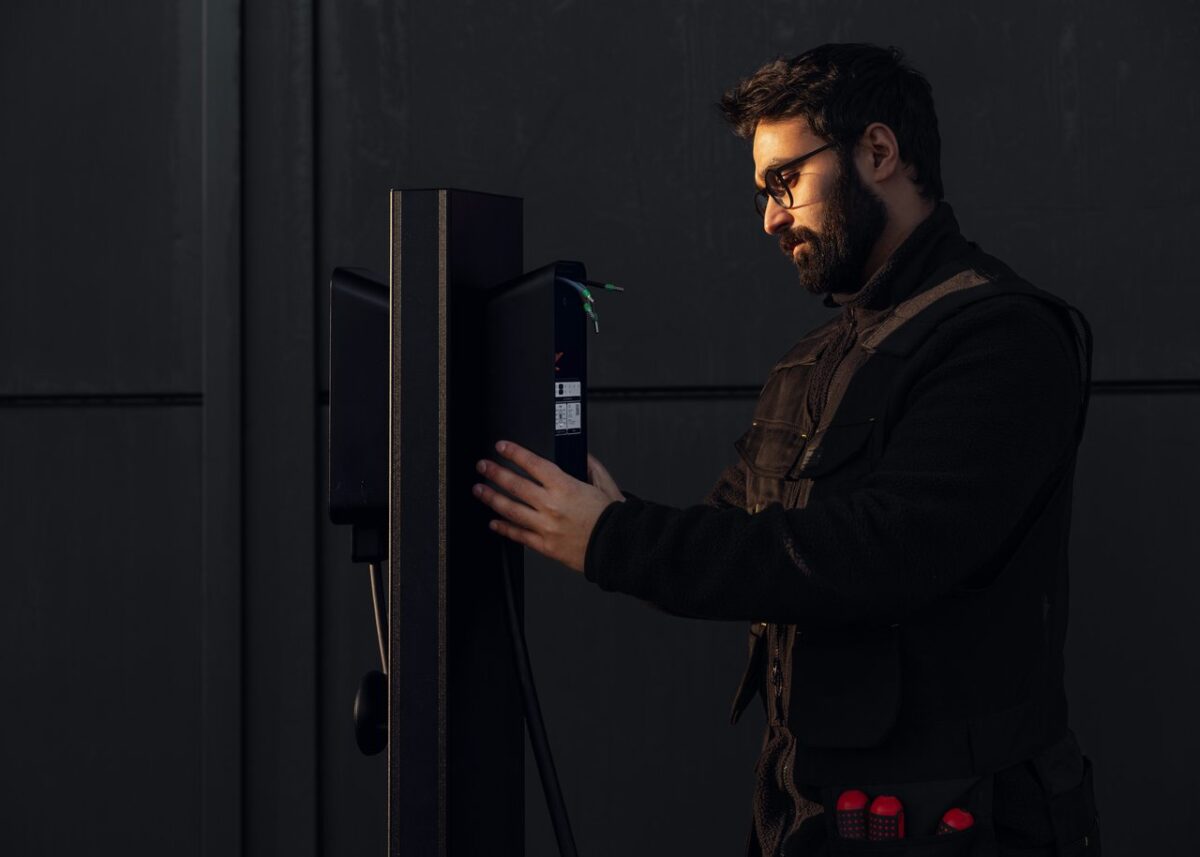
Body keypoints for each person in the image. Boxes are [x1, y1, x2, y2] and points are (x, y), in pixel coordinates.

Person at [471, 43, 1101, 856]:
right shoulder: (812, 360)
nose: (770, 217)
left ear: (878, 152)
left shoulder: (1001, 337)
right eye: (764, 191)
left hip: (962, 819)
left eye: (786, 181)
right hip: (803, 816)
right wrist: (603, 512)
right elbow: (737, 539)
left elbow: (881, 550)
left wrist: (613, 537)